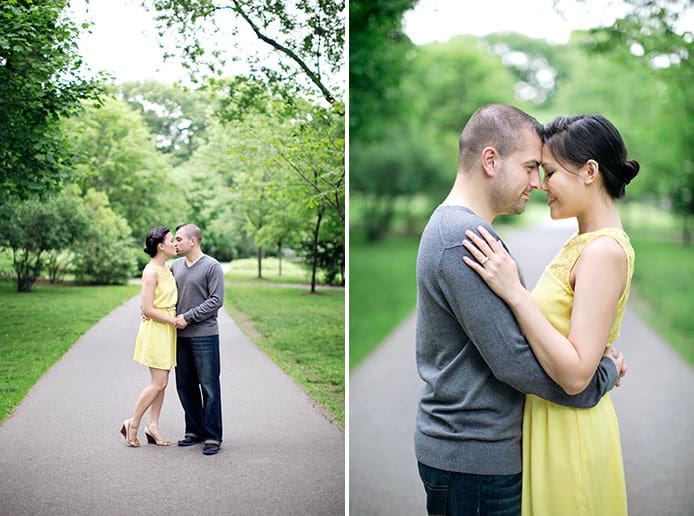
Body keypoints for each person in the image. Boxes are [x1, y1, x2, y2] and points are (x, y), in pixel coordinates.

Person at [414, 104, 625, 515]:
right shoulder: (463, 237)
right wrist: (599, 378)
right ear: (490, 160)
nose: (537, 182)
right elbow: (514, 361)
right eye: (531, 167)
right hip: (473, 456)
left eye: (543, 170)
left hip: (479, 454)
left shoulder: (463, 230)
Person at [120, 226, 179, 448]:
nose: (175, 243)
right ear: (161, 246)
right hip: (156, 330)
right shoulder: (150, 271)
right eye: (172, 240)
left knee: (162, 384)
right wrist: (174, 320)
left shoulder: (168, 268)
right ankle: (132, 424)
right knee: (159, 382)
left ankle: (152, 427)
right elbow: (147, 309)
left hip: (167, 330)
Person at [170, 223, 225, 456]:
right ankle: (194, 431)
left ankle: (212, 436)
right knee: (185, 385)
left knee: (209, 386)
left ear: (193, 241)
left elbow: (216, 300)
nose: (175, 243)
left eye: (179, 239)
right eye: (174, 239)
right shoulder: (175, 266)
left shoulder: (212, 266)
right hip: (179, 336)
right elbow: (167, 295)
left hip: (204, 335)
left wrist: (188, 317)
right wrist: (149, 308)